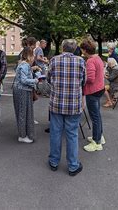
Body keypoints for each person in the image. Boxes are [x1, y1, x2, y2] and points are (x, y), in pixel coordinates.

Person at [47, 39, 86, 176]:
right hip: (73, 104)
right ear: (74, 49)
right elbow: (83, 81)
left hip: (57, 102)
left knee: (55, 132)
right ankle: (73, 165)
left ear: (63, 47)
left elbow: (48, 78)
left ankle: (53, 161)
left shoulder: (54, 60)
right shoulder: (81, 61)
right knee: (72, 134)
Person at [80, 38, 106, 152]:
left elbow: (90, 79)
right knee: (97, 115)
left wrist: (81, 79)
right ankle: (99, 136)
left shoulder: (90, 61)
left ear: (85, 50)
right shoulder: (98, 57)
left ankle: (97, 143)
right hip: (100, 88)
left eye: (82, 49)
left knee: (94, 117)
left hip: (93, 91)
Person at [12, 47, 38, 143]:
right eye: (33, 54)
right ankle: (22, 135)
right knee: (23, 113)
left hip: (23, 90)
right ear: (29, 55)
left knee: (25, 112)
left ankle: (24, 134)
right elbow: (23, 80)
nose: (34, 56)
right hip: (22, 91)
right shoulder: (24, 65)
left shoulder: (24, 64)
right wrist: (35, 80)